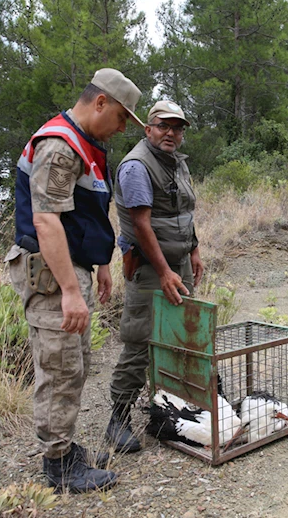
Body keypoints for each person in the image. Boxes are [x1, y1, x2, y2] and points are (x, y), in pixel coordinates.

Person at [5, 68, 143, 492]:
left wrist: (101, 263)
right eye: (121, 117)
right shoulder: (60, 145)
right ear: (99, 102)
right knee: (60, 368)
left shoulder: (86, 145)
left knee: (75, 363)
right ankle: (59, 465)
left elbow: (84, 215)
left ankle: (66, 448)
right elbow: (46, 222)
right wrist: (69, 291)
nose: (122, 128)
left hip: (72, 269)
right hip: (51, 276)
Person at [105, 100, 204, 452]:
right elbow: (141, 224)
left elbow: (185, 211)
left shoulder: (176, 163)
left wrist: (193, 248)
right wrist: (163, 271)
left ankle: (168, 412)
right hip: (149, 268)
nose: (171, 133)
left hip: (177, 263)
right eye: (164, 126)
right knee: (140, 340)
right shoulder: (136, 166)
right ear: (148, 128)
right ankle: (117, 420)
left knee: (181, 334)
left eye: (177, 128)